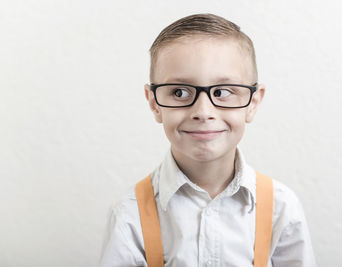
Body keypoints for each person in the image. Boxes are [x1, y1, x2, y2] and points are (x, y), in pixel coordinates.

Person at [99, 13, 316, 267]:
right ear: (154, 103)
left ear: (253, 103)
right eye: (180, 92)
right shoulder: (129, 215)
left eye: (223, 92)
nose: (203, 112)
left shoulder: (282, 209)